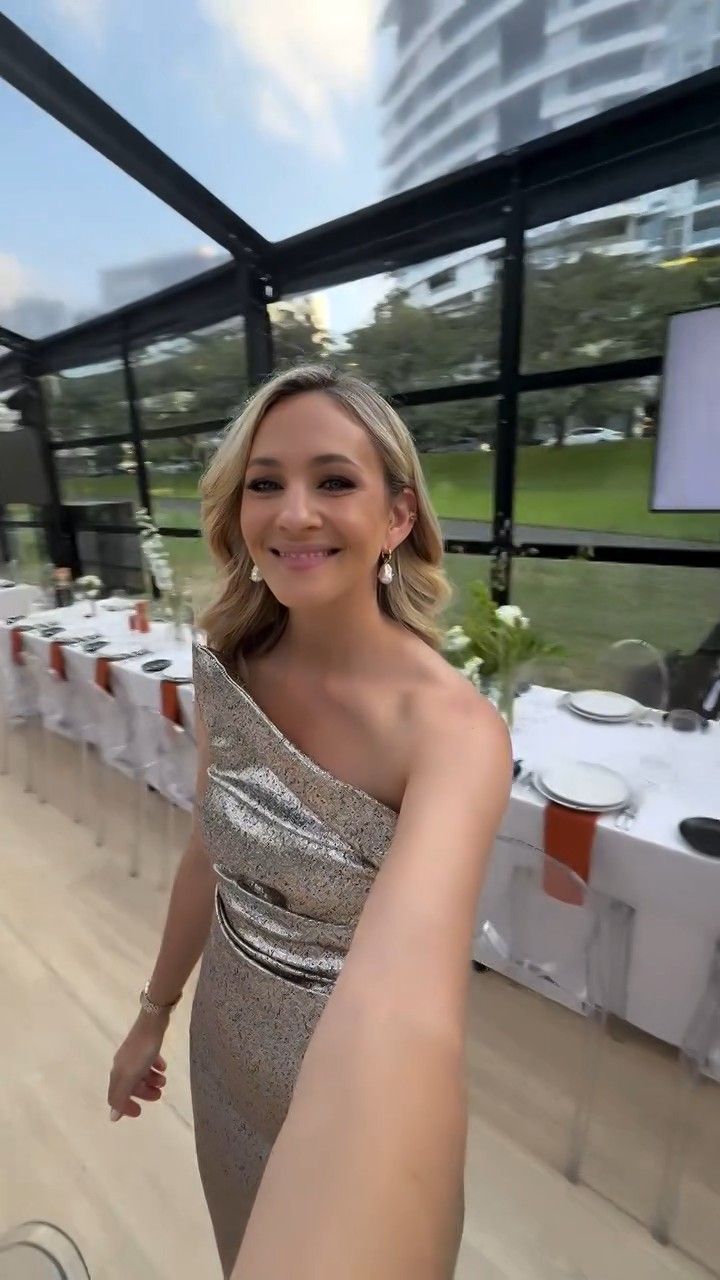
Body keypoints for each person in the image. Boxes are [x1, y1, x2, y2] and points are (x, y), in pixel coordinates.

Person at [107, 364, 511, 1278]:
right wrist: (151, 1015)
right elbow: (207, 851)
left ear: (397, 516)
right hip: (223, 1048)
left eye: (333, 481)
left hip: (363, 1098)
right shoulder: (232, 666)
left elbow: (406, 1005)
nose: (294, 514)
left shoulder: (453, 734)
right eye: (265, 483)